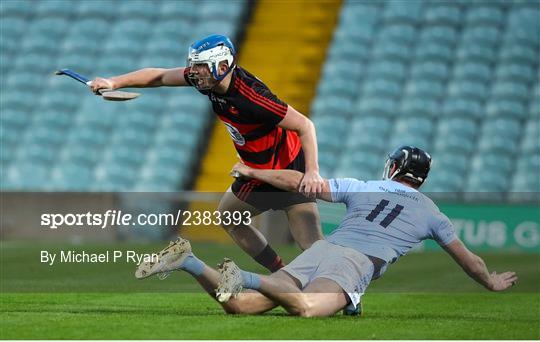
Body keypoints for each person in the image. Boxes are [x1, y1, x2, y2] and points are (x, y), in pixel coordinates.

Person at [134, 146, 518, 317]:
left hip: (322, 250)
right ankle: (247, 276)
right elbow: (470, 262)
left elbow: (302, 183)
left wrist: (255, 172)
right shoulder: (434, 213)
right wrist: (490, 282)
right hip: (353, 264)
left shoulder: (361, 185)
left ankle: (189, 261)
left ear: (393, 168)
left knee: (240, 305)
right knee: (307, 310)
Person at [90, 34, 324, 272]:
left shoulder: (251, 97)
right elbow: (159, 76)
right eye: (194, 65)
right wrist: (113, 82)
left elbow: (305, 125)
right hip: (257, 172)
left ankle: (345, 292)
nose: (194, 71)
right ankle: (280, 273)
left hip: (288, 169)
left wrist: (312, 172)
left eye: (200, 66)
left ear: (222, 66)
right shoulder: (210, 81)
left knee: (311, 243)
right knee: (229, 216)